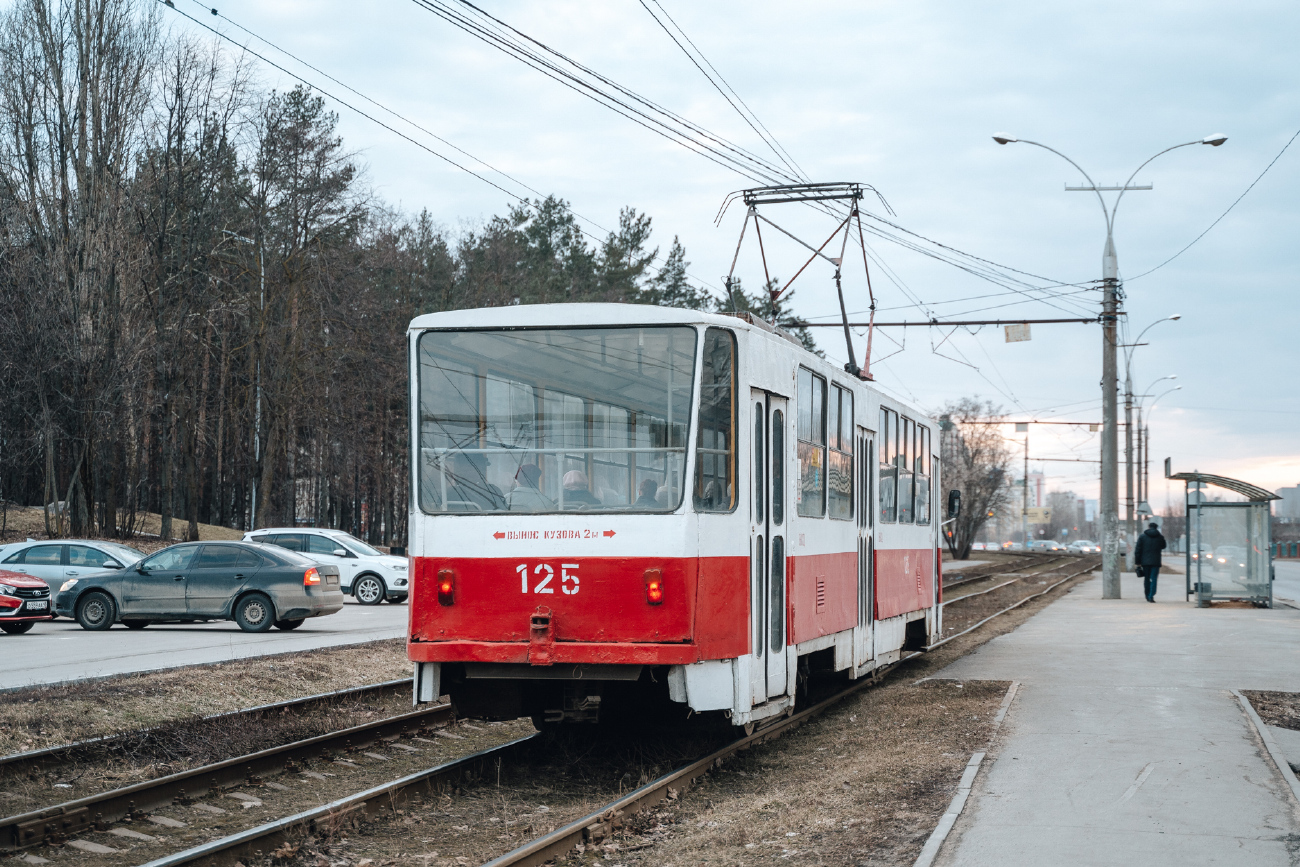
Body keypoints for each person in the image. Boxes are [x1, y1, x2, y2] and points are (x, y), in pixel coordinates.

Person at [1134, 521, 1167, 603]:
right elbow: (1163, 546)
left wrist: (1137, 562)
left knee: (1147, 579)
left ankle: (1147, 595)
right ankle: (1151, 595)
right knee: (1154, 578)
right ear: (1156, 528)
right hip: (1156, 562)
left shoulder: (1142, 537)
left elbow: (1138, 550)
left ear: (1149, 527)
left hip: (1145, 562)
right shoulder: (1160, 537)